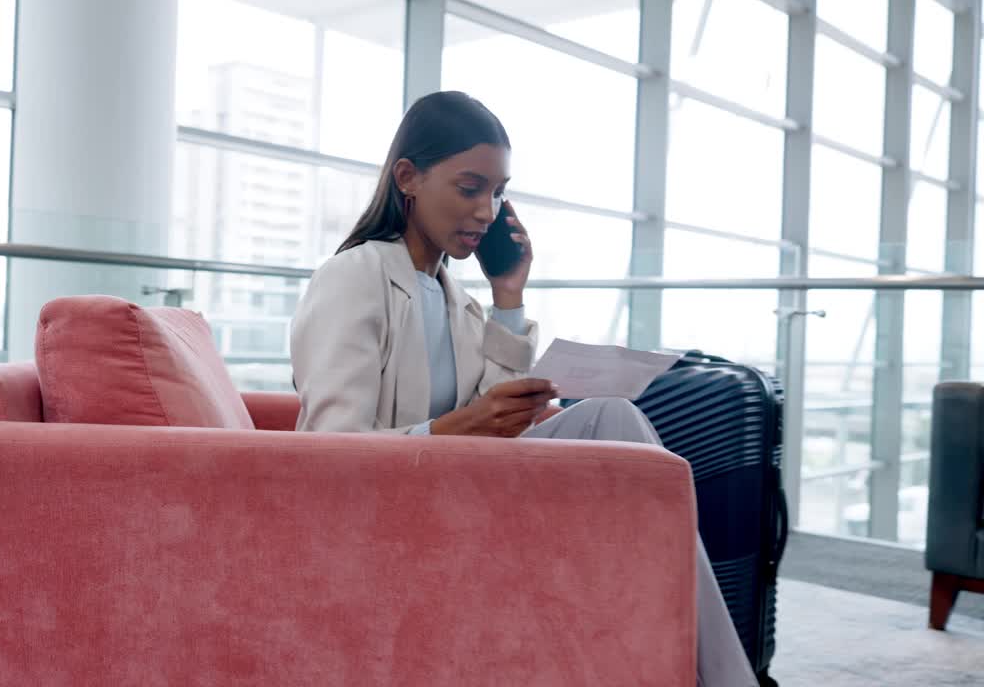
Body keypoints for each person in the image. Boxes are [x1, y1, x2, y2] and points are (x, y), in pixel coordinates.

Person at [289, 90, 758, 686]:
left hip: (460, 488)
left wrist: (508, 292)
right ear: (408, 178)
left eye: (498, 192)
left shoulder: (455, 298)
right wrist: (454, 429)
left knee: (613, 418)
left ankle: (696, 668)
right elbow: (326, 453)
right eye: (469, 188)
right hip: (385, 510)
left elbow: (495, 417)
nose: (487, 210)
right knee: (616, 464)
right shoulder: (355, 277)